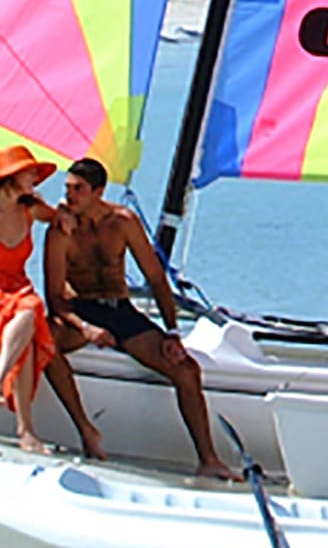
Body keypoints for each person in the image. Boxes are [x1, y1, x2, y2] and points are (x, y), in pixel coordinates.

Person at [46, 157, 233, 479]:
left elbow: (156, 279)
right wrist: (87, 329)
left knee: (187, 369)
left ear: (99, 191)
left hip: (119, 310)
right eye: (67, 188)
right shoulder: (61, 230)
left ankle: (209, 460)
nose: (69, 196)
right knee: (45, 342)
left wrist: (172, 332)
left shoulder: (122, 222)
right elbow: (55, 298)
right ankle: (86, 429)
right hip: (80, 310)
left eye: (78, 189)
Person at [0, 144, 104, 457]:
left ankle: (25, 427)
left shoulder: (30, 208)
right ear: (12, 177)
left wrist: (64, 214)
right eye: (29, 173)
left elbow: (59, 215)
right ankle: (26, 431)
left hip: (17, 291)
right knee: (30, 315)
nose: (34, 177)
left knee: (30, 313)